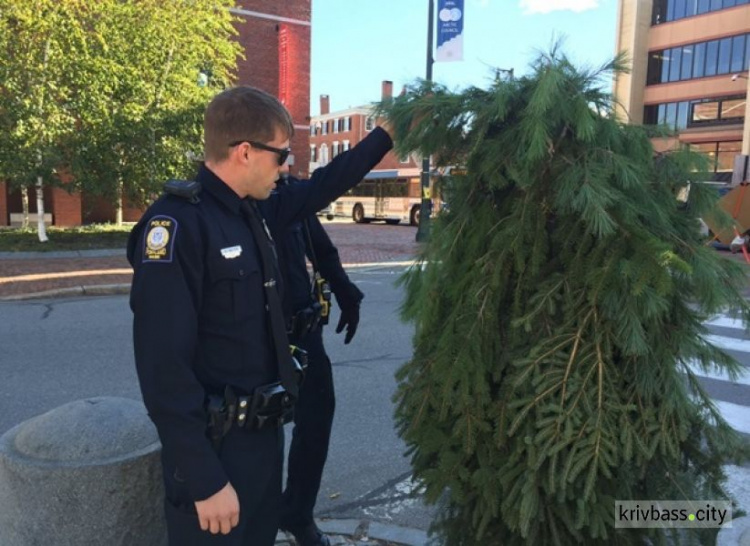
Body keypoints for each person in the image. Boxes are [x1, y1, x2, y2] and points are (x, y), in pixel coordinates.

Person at [127, 85, 392, 546]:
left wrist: (386, 135)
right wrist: (204, 478)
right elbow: (163, 370)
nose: (287, 166)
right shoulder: (177, 226)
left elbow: (326, 184)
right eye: (281, 155)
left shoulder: (258, 210)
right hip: (214, 455)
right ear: (245, 152)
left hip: (263, 444)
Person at [260, 180, 364, 546]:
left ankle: (297, 512)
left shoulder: (288, 194)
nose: (283, 162)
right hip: (259, 340)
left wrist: (348, 294)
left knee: (317, 420)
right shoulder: (235, 197)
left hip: (305, 334)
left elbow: (322, 250)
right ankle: (256, 518)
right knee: (260, 431)